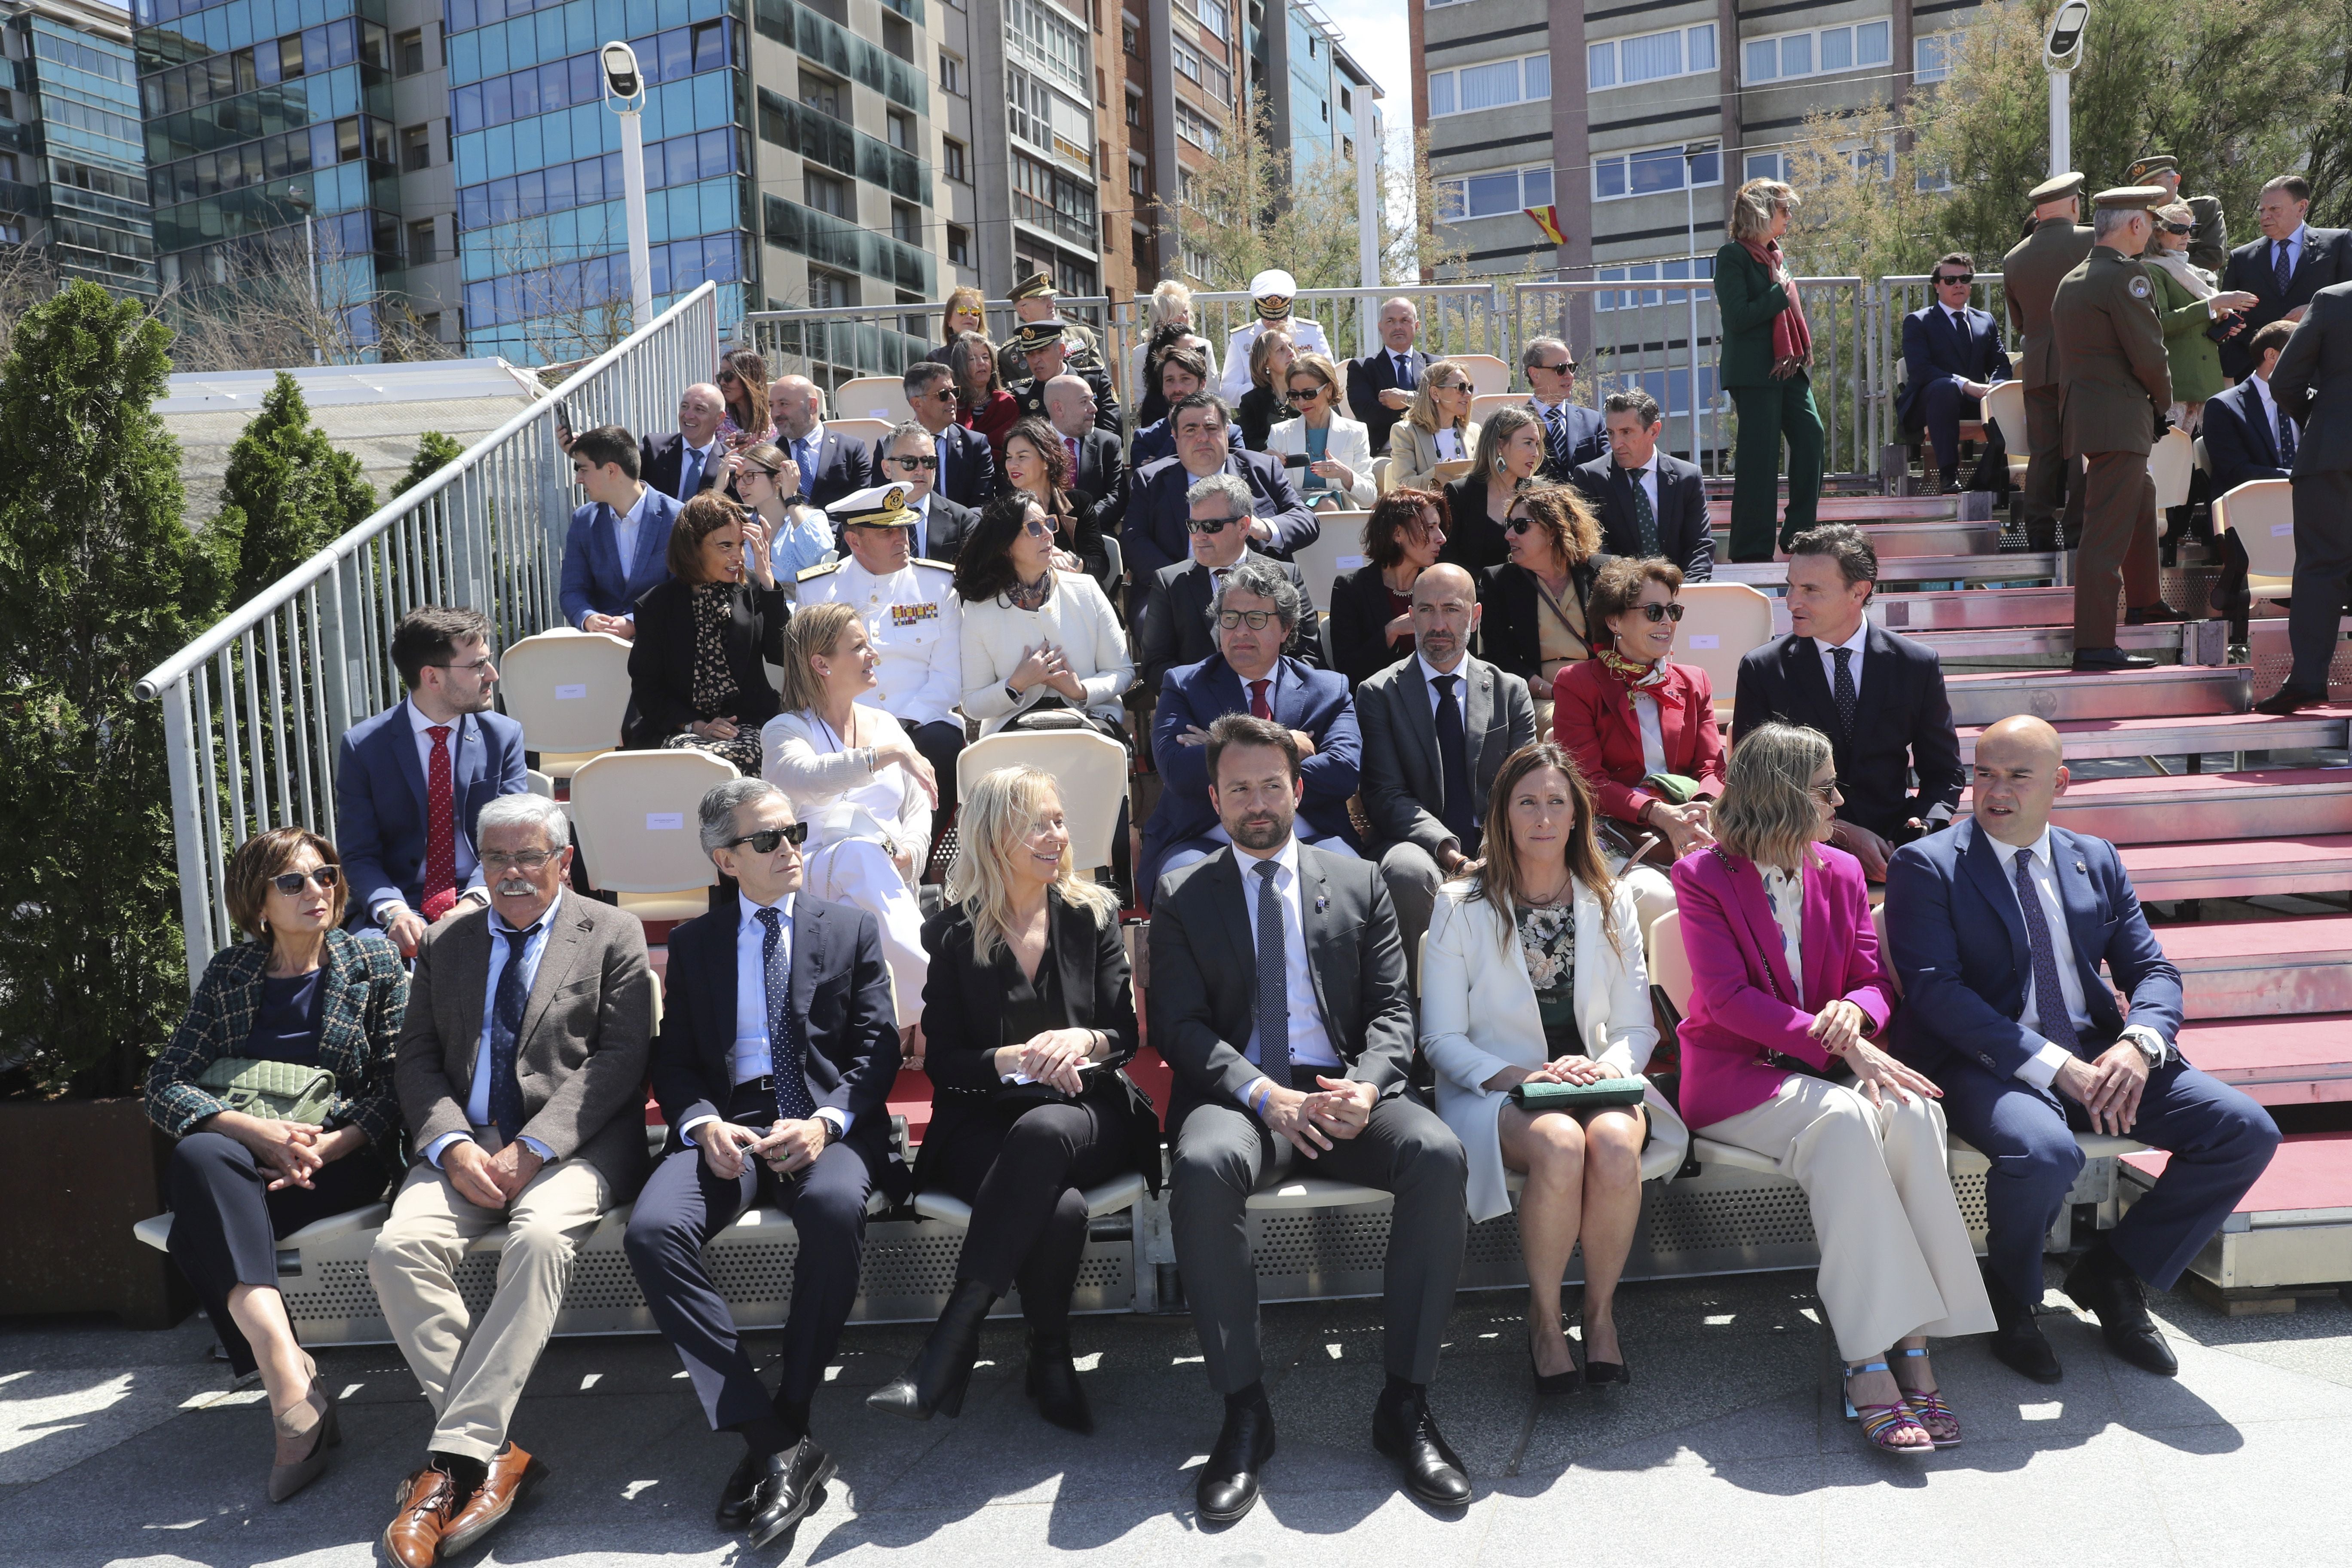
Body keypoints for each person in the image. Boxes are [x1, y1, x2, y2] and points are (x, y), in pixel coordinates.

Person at [1884, 715, 2280, 1384]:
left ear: (2059, 784)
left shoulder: (2093, 857)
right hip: (1984, 1059)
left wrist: (2138, 1044)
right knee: (2045, 1154)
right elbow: (1937, 995)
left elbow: (2152, 972)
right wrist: (2053, 1066)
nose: (1996, 792)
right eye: (1984, 774)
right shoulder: (1927, 865)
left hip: (2100, 1052)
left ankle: (2113, 1273)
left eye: (2017, 776)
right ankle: (2012, 1296)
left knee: (2244, 1131)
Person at [1152, 714, 1471, 1522]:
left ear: (1298, 788)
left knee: (1436, 1153)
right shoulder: (1184, 891)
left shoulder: (1357, 879)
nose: (1255, 802)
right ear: (1214, 799)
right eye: (1237, 788)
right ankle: (1244, 1411)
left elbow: (1396, 1010)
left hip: (1343, 1089)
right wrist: (1267, 1095)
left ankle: (1405, 1402)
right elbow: (1180, 1028)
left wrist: (1365, 1087)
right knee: (1198, 1167)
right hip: (1246, 1099)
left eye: (1270, 784)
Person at [1671, 722, 1994, 1456]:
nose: (1840, 801)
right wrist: (1841, 1036)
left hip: (1828, 1067)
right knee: (1849, 1118)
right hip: (1734, 1077)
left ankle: (1912, 1339)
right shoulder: (1701, 876)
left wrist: (1859, 1010)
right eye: (1824, 789)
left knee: (1912, 1110)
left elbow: (1874, 981)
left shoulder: (1842, 872)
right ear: (1781, 794)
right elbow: (1725, 1000)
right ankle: (1868, 1359)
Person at [369, 793, 652, 1567]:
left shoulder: (611, 931)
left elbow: (620, 1061)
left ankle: (448, 1467)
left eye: (531, 856)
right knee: (400, 1248)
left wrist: (531, 1147)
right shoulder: (447, 938)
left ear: (563, 860)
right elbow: (417, 1057)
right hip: (464, 1144)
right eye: (496, 857)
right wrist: (453, 1144)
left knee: (536, 1236)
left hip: (575, 1144)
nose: (514, 872)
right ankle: (494, 1454)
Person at [624, 778, 901, 1553]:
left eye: (795, 832)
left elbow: (877, 1047)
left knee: (834, 1208)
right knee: (651, 1232)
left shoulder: (846, 927)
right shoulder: (695, 943)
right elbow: (672, 1060)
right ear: (724, 859)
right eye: (768, 839)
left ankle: (792, 1412)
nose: (790, 849)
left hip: (824, 1118)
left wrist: (825, 1120)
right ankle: (773, 1439)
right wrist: (700, 1121)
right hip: (732, 1122)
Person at [871, 766, 1160, 1433]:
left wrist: (1081, 1039)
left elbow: (1127, 1034)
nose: (1058, 834)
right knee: (1055, 1211)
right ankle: (1049, 1354)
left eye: (1059, 820)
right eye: (1040, 822)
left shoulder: (1094, 913)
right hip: (982, 1125)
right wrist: (1010, 1060)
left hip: (1086, 1115)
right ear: (996, 835)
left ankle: (950, 1344)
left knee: (1044, 1135)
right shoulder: (950, 932)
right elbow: (940, 1062)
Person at [146, 827, 406, 1501]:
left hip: (338, 1158)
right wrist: (251, 1130)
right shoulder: (233, 972)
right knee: (201, 1152)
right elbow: (165, 1082)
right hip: (244, 1157)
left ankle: (290, 1393)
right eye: (293, 882)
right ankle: (289, 1376)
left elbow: (402, 1083)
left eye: (325, 875)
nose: (316, 890)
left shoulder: (371, 961)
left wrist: (332, 1143)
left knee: (195, 1222)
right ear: (258, 901)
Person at [1420, 741, 1687, 1389]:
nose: (1543, 817)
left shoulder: (1611, 898)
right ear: (1502, 816)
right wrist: (1525, 1078)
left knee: (1617, 1149)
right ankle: (1543, 1321)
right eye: (1528, 803)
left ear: (1577, 817)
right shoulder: (1460, 905)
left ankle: (1599, 1318)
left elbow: (1633, 1025)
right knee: (1562, 1145)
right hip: (1497, 1088)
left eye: (1557, 803)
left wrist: (1604, 1070)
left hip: (1598, 1078)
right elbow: (1442, 1041)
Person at [1730, 525, 1963, 880]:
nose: (1793, 601)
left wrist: (1921, 829)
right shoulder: (1762, 669)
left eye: (1810, 590)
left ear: (1859, 592)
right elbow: (1756, 787)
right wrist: (1841, 834)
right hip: (1798, 856)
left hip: (1896, 851)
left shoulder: (1916, 663)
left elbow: (1944, 774)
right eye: (1791, 585)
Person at [758, 600, 937, 1041]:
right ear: (821, 663)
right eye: (858, 647)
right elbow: (808, 779)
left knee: (866, 860)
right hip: (813, 872)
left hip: (888, 875)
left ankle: (892, 1020)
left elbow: (918, 808)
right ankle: (940, 1002)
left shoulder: (886, 724)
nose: (873, 655)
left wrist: (911, 855)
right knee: (859, 855)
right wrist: (888, 756)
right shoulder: (785, 730)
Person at [1141, 558, 1362, 902]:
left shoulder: (1328, 690)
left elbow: (1343, 772)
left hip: (1309, 835)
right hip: (1206, 837)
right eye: (1230, 618)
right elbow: (1178, 772)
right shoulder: (1185, 685)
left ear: (1287, 629)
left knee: (1353, 884)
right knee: (1180, 887)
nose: (1241, 631)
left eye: (1257, 619)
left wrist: (1218, 749)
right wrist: (1285, 742)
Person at [1355, 563, 1537, 970]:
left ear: (1474, 616)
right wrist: (1451, 854)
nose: (1438, 624)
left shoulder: (1510, 690)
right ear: (1411, 617)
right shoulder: (1378, 693)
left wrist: (1496, 849)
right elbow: (1385, 796)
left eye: (1451, 610)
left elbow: (1525, 788)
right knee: (1405, 871)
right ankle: (1418, 1005)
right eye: (1426, 610)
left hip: (1497, 836)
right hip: (1420, 844)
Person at [335, 606, 528, 959]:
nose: (492, 675)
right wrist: (395, 912)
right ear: (432, 678)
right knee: (366, 965)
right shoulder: (364, 747)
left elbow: (513, 840)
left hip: (492, 895)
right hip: (399, 904)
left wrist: (472, 902)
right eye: (477, 665)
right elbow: (359, 854)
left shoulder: (504, 736)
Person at [1553, 556, 1724, 930]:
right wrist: (1659, 814)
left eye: (1673, 611)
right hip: (1615, 830)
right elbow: (1587, 783)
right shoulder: (1577, 683)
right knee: (1657, 899)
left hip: (1694, 823)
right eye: (1653, 611)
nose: (1667, 622)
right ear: (1614, 621)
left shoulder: (1695, 681)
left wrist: (1701, 809)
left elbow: (1712, 768)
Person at [2053, 185, 2178, 672]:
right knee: (2105, 533)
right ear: (2135, 225)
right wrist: (2163, 405)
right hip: (2123, 418)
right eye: (2150, 221)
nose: (2151, 231)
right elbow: (2149, 354)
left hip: (2091, 418)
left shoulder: (2074, 278)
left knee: (2139, 497)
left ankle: (2146, 598)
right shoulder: (2128, 277)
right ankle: (2095, 643)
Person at [794, 480, 965, 810]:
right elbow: (812, 678)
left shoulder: (938, 585)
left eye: (904, 529)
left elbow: (948, 678)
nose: (902, 539)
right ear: (854, 541)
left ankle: (919, 859)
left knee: (943, 745)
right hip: (844, 726)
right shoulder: (818, 592)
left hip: (921, 723)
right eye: (888, 532)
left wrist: (899, 727)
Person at [622, 492, 785, 771]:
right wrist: (697, 725)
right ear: (692, 548)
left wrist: (768, 581)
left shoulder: (753, 589)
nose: (738, 556)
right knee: (698, 763)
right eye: (726, 546)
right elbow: (648, 689)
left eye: (742, 545)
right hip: (680, 728)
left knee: (750, 752)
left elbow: (782, 653)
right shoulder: (656, 605)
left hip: (750, 723)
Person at [955, 490, 1134, 738]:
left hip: (1090, 722)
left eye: (1049, 523)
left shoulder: (1086, 589)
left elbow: (1122, 672)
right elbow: (973, 704)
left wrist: (1080, 690)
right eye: (1034, 528)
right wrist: (1015, 685)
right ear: (1005, 546)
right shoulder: (978, 611)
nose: (1049, 535)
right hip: (1011, 732)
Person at [2253, 277, 2352, 714]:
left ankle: (2309, 679)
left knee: (2319, 567)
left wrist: (2324, 418)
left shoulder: (2333, 300)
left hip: (2331, 454)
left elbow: (2285, 381)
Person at [1135, 471, 1323, 697]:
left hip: (1274, 706)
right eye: (1193, 525)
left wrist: (1267, 695)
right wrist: (1212, 695)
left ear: (1244, 527)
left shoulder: (1286, 575)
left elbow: (1307, 657)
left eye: (1211, 526)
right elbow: (1156, 666)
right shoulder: (1170, 582)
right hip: (1200, 713)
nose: (1199, 536)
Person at [1123, 392, 1320, 603]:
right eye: (1191, 430)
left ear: (1227, 431)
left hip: (1258, 590)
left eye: (1211, 428)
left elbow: (1305, 520)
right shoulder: (1151, 480)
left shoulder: (1262, 469)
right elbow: (1134, 539)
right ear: (1175, 436)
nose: (1202, 438)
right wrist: (1176, 581)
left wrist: (1264, 528)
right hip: (1176, 592)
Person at [1716, 179, 1823, 561]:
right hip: (1755, 372)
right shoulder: (1732, 257)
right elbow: (1739, 316)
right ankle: (1750, 551)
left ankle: (1799, 533)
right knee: (1759, 462)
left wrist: (1780, 287)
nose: (1790, 217)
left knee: (1811, 435)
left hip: (1788, 367)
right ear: (1762, 213)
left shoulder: (1777, 257)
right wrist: (1778, 291)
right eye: (1784, 210)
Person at [2002, 172, 2098, 551]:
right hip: (2084, 363)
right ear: (2075, 205)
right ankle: (2076, 536)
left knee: (2043, 456)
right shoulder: (2092, 240)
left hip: (2039, 365)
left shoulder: (2014, 257)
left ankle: (2039, 536)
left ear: (2039, 212)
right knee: (2081, 453)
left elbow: (2020, 321)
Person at [1474, 482, 1613, 735]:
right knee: (1565, 724)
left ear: (1553, 531)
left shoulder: (1602, 573)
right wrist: (1548, 690)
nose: (1508, 536)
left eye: (1521, 526)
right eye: (1509, 525)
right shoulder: (1500, 582)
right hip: (1540, 698)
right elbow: (1498, 656)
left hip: (1604, 692)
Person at [1896, 253, 2014, 495]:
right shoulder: (1918, 322)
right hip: (1929, 402)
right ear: (1937, 286)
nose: (1958, 284)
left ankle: (1992, 476)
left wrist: (1996, 386)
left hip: (1974, 401)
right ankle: (1949, 476)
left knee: (2009, 394)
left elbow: (2001, 364)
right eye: (1950, 280)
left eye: (1965, 278)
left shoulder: (1985, 321)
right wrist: (1965, 384)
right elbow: (1920, 371)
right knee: (1945, 387)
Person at [2217, 175, 2352, 383]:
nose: (2265, 217)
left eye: (2274, 209)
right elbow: (2229, 316)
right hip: (2257, 373)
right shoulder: (2242, 257)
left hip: (2322, 370)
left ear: (2302, 207)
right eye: (2262, 210)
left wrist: (2317, 309)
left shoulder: (2337, 243)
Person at [1570, 388, 1712, 577]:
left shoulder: (1688, 477)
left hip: (1680, 594)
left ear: (1654, 431)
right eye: (1611, 433)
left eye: (1626, 432)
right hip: (1619, 595)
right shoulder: (1591, 478)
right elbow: (1595, 549)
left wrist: (1686, 592)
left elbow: (1699, 545)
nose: (1616, 443)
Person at [2144, 202, 2256, 433]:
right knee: (2170, 459)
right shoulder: (2151, 270)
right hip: (2177, 385)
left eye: (2191, 229)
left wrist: (2223, 327)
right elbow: (2159, 324)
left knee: (2199, 461)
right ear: (2158, 233)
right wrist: (2213, 304)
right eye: (2178, 229)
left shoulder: (2194, 273)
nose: (2187, 236)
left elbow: (2201, 329)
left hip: (2206, 384)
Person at [560, 424, 680, 636]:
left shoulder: (678, 517)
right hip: (601, 647)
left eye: (584, 469)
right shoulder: (583, 520)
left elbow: (684, 590)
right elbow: (573, 590)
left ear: (611, 470)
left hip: (663, 643)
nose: (579, 479)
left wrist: (635, 622)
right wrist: (588, 618)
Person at [1328, 487, 1448, 684]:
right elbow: (1348, 671)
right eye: (1430, 527)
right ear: (1397, 533)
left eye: (1439, 527)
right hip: (1378, 704)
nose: (1441, 538)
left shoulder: (1441, 587)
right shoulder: (1351, 590)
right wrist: (1391, 632)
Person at [1001, 413, 1113, 595]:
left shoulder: (1078, 503)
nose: (1012, 465)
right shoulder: (1004, 510)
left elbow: (1100, 565)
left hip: (1076, 595)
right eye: (1009, 457)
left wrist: (1068, 561)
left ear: (1047, 460)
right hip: (1024, 600)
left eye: (1022, 457)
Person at [1441, 403, 1548, 573]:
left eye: (1537, 444)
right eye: (1528, 443)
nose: (1535, 453)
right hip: (1477, 595)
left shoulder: (1542, 495)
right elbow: (1447, 563)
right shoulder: (1460, 495)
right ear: (1500, 445)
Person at [1265, 349, 1376, 510]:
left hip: (1338, 519)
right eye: (1294, 395)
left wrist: (1345, 475)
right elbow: (1268, 494)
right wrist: (1262, 465)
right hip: (1292, 515)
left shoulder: (1355, 432)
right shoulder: (1280, 433)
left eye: (1309, 394)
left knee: (1327, 505)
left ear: (1329, 389)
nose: (1301, 403)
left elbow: (1369, 499)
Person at [2201, 318, 2300, 493]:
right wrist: (2299, 478)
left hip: (2313, 502)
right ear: (2272, 356)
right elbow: (2236, 471)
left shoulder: (2312, 399)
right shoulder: (2224, 407)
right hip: (2253, 506)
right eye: (2302, 351)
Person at [870, 417, 979, 565]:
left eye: (928, 461)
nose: (920, 470)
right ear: (887, 469)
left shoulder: (963, 521)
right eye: (909, 462)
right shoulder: (866, 520)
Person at [1217, 267, 1332, 403]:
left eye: (1280, 316)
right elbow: (1228, 391)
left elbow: (1330, 376)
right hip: (1261, 409)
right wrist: (1267, 389)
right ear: (1258, 308)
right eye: (1268, 317)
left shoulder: (1312, 332)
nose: (1275, 322)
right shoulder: (1241, 338)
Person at [899, 359, 998, 513]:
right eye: (943, 395)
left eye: (955, 392)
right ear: (917, 403)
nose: (952, 399)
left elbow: (982, 504)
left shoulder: (976, 445)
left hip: (961, 532)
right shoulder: (892, 447)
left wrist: (960, 529)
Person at [1127, 343, 1242, 469]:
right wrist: (1175, 432)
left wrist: (1159, 462)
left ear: (1203, 384)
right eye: (1170, 380)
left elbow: (1238, 476)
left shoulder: (1229, 434)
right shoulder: (1146, 439)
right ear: (1162, 388)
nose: (1178, 388)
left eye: (1185, 379)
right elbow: (1150, 481)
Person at [736, 441, 836, 581]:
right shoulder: (740, 527)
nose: (740, 485)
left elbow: (816, 555)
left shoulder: (814, 518)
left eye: (750, 476)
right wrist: (717, 489)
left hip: (804, 602)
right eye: (737, 478)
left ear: (779, 478)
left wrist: (791, 499)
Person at [774, 374, 876, 512]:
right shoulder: (769, 452)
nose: (775, 413)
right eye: (771, 405)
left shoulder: (851, 449)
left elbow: (863, 505)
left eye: (783, 404)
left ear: (812, 406)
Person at [1345, 296, 1430, 454]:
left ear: (1416, 326)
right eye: (1390, 321)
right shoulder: (1362, 368)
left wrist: (1407, 398)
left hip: (1432, 447)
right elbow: (1369, 416)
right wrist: (1423, 405)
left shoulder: (1434, 365)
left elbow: (1446, 404)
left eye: (1405, 320)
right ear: (1380, 327)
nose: (1398, 326)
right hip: (1387, 452)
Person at [1042, 371, 1124, 534]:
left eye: (1093, 400)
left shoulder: (1108, 443)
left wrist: (1084, 525)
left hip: (1095, 535)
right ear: (1059, 408)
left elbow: (1116, 496)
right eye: (1084, 402)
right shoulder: (1032, 444)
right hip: (1043, 535)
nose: (1094, 409)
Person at [995, 268, 1106, 388]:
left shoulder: (1080, 335)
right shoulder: (1009, 354)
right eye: (1043, 300)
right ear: (1024, 311)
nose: (1052, 304)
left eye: (1050, 298)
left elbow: (1102, 381)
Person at [1008, 318, 1121, 434]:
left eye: (1042, 351)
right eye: (1029, 353)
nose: (1036, 360)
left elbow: (1112, 433)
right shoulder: (1021, 393)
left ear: (1061, 350)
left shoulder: (1095, 380)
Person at [1386, 358, 1481, 493]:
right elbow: (1404, 485)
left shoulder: (1475, 431)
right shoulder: (1405, 432)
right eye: (1461, 387)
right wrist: (1438, 474)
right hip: (1429, 510)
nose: (1468, 394)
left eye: (1470, 388)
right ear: (1435, 393)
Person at [1520, 336, 1608, 481]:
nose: (1570, 376)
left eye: (1572, 368)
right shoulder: (1516, 425)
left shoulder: (1593, 422)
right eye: (1561, 369)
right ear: (1535, 374)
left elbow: (1608, 471)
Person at [2123, 152, 2229, 272]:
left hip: (2195, 287)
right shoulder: (2136, 219)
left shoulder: (2204, 209)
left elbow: (2212, 258)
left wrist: (2161, 268)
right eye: (2142, 188)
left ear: (2175, 180)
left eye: (2154, 184)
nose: (2150, 191)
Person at [642, 383, 730, 502]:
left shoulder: (730, 466)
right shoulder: (653, 448)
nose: (688, 415)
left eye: (699, 409)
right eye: (684, 407)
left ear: (720, 418)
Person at [1129, 277, 1196, 421]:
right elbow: (1141, 399)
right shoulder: (1141, 352)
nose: (1184, 318)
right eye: (1178, 313)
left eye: (1186, 312)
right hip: (1158, 421)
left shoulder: (1202, 346)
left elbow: (1213, 391)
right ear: (1163, 318)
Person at [949, 330, 1020, 455]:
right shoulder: (950, 404)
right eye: (972, 358)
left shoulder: (1005, 403)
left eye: (986, 357)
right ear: (960, 366)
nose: (981, 363)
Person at [1234, 325, 1296, 451]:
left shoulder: (1308, 393)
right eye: (1281, 350)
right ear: (1265, 362)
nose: (1291, 353)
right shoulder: (1251, 402)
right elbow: (1249, 443)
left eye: (1291, 346)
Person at [716, 348, 776, 447]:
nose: (722, 382)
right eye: (720, 377)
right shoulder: (718, 420)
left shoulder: (775, 420)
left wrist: (765, 454)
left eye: (728, 376)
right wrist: (723, 452)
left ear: (749, 377)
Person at [928, 285, 988, 364]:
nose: (970, 316)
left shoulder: (993, 354)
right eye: (962, 311)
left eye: (975, 312)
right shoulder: (936, 358)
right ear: (949, 320)